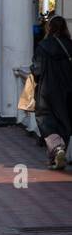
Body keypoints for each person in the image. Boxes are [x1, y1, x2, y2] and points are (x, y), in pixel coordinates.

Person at [32, 15, 72, 171]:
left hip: (47, 89)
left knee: (45, 120)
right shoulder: (70, 45)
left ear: (50, 27)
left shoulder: (43, 46)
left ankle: (57, 149)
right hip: (68, 89)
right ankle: (57, 156)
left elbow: (37, 69)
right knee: (65, 120)